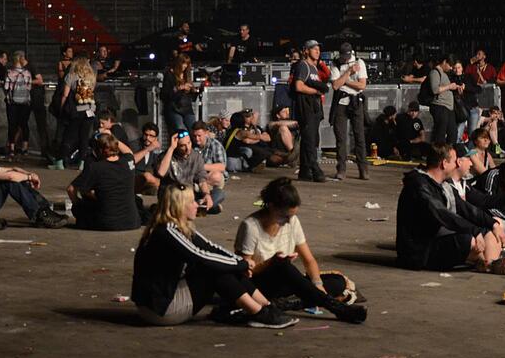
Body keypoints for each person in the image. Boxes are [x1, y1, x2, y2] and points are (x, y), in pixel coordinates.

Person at [131, 184, 298, 328]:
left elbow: (210, 247)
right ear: (179, 206)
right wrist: (241, 265)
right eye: (192, 201)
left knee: (224, 264)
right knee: (214, 269)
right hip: (159, 310)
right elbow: (201, 257)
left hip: (163, 301)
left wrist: (240, 261)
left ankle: (266, 307)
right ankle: (259, 313)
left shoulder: (179, 228)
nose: (197, 205)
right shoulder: (166, 231)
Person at [234, 178, 367, 323]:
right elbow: (243, 272)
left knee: (337, 282)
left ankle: (289, 303)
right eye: (285, 216)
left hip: (285, 283)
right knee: (283, 266)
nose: (289, 221)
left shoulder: (293, 222)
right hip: (260, 285)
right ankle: (335, 307)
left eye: (291, 216)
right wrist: (271, 263)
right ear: (271, 206)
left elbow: (309, 260)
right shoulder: (251, 227)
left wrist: (318, 286)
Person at [395, 143, 505, 274]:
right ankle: (485, 262)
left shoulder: (443, 185)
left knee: (489, 233)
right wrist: (474, 231)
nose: (457, 165)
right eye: (454, 161)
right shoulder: (419, 185)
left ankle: (489, 264)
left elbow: (467, 209)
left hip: (434, 239)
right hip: (418, 251)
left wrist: (493, 224)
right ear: (444, 164)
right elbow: (443, 214)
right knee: (467, 240)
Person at [67, 133, 142, 231]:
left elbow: (70, 189)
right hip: (132, 222)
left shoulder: (96, 168)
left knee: (82, 204)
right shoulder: (128, 161)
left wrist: (77, 203)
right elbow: (128, 151)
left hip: (107, 223)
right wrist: (112, 137)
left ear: (100, 150)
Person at [329, 42, 368, 180]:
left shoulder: (359, 62)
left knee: (359, 136)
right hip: (341, 101)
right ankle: (341, 169)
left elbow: (362, 85)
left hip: (356, 101)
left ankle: (363, 169)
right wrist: (349, 72)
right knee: (340, 137)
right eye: (343, 56)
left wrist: (344, 81)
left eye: (348, 55)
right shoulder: (335, 64)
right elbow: (335, 86)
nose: (346, 58)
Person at [156, 130, 218, 214]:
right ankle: (194, 209)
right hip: (172, 195)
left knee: (218, 194)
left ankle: (196, 207)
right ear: (176, 146)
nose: (187, 148)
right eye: (182, 146)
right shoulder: (166, 156)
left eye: (189, 143)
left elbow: (202, 179)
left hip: (188, 195)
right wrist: (171, 149)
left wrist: (206, 194)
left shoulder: (196, 156)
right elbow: (161, 173)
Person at [292, 39, 328, 182]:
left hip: (313, 108)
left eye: (318, 49)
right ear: (306, 51)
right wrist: (315, 91)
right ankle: (315, 169)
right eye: (314, 49)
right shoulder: (303, 65)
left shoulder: (314, 67)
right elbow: (298, 86)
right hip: (306, 108)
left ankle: (305, 172)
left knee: (312, 139)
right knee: (309, 140)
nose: (318, 51)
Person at [58, 56, 97, 169]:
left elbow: (65, 94)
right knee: (84, 138)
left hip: (76, 111)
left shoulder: (71, 76)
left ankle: (60, 161)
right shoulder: (92, 77)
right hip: (89, 110)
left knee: (68, 136)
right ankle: (82, 163)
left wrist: (62, 108)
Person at [3, 51, 35, 158]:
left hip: (12, 103)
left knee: (12, 125)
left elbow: (6, 88)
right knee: (24, 124)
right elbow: (29, 88)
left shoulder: (9, 73)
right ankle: (24, 148)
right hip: (25, 103)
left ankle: (12, 148)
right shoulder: (27, 73)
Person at [190, 121, 227, 211]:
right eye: (194, 136)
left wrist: (201, 166)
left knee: (217, 176)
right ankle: (208, 205)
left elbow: (222, 167)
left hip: (209, 179)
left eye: (199, 136)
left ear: (206, 133)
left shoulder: (215, 145)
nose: (196, 139)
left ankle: (197, 191)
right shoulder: (190, 145)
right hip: (195, 177)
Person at [427, 53, 461, 145]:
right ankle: (439, 155)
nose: (451, 68)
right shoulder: (435, 72)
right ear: (444, 62)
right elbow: (435, 89)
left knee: (453, 133)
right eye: (450, 65)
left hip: (448, 107)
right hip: (440, 106)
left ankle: (448, 153)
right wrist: (449, 86)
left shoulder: (444, 74)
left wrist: (455, 87)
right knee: (440, 134)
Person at [160, 54, 198, 133]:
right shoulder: (170, 74)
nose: (185, 66)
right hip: (174, 108)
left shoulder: (187, 75)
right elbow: (165, 94)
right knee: (181, 130)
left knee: (194, 130)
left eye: (187, 64)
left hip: (187, 108)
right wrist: (180, 87)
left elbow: (192, 98)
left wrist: (195, 91)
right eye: (183, 63)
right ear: (178, 63)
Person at [133, 122, 163, 194]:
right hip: (134, 178)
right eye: (146, 135)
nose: (147, 138)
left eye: (151, 136)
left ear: (156, 138)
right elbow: (131, 160)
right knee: (147, 176)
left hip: (148, 182)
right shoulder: (134, 144)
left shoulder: (156, 148)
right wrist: (148, 149)